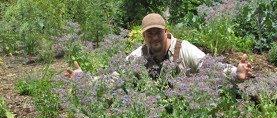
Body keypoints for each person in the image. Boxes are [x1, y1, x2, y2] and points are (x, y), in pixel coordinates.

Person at [65, 13, 252, 81]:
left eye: (158, 32)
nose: (154, 37)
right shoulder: (139, 54)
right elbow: (116, 77)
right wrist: (85, 79)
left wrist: (235, 72)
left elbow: (208, 65)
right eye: (149, 33)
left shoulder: (183, 48)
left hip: (184, 109)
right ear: (144, 36)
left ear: (165, 31)